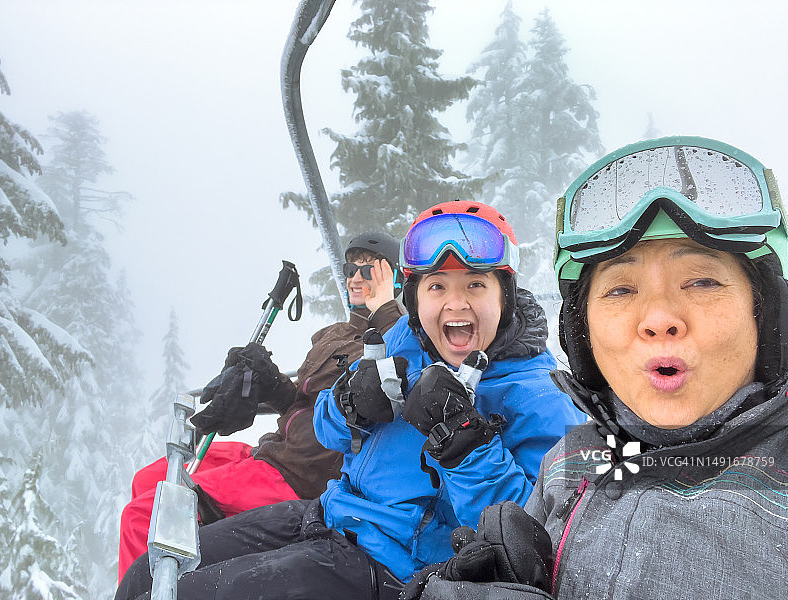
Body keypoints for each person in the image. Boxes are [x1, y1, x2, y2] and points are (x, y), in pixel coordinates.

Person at [115, 200, 582, 600]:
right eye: (437, 286)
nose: (455, 304)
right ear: (416, 296)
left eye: (475, 285)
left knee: (172, 592)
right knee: (150, 572)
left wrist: (466, 446)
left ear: (506, 294)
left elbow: (535, 538)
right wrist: (349, 404)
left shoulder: (537, 394)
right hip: (328, 513)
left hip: (390, 566)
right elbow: (325, 430)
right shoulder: (404, 339)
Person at [403, 136, 788, 600]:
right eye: (621, 290)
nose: (659, 318)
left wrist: (467, 451)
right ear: (582, 331)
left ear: (766, 314)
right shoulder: (572, 458)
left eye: (703, 281)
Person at [116, 231, 405, 582]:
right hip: (273, 451)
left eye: (368, 271)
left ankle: (149, 589)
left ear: (395, 277)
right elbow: (300, 400)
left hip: (298, 475)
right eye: (350, 269)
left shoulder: (396, 339)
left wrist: (388, 308)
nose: (355, 278)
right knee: (148, 479)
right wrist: (266, 380)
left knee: (143, 516)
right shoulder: (336, 335)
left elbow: (397, 374)